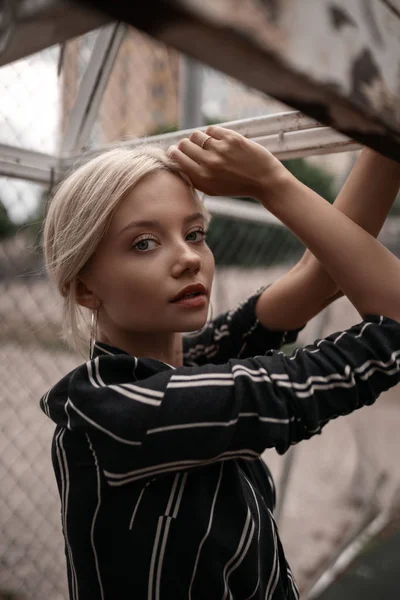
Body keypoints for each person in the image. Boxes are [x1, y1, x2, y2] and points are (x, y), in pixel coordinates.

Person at [40, 125, 400, 600]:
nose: (189, 257)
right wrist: (269, 183)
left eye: (194, 233)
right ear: (85, 287)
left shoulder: (184, 364)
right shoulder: (115, 410)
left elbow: (319, 277)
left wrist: (387, 124)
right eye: (144, 242)